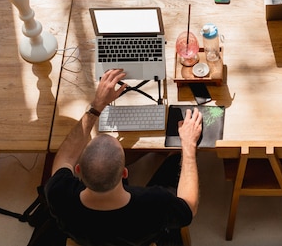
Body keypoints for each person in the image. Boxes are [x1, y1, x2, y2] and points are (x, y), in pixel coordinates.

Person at [45, 69, 203, 246]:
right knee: (176, 157)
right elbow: (189, 207)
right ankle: (172, 153)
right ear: (124, 173)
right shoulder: (155, 204)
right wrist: (188, 146)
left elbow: (65, 156)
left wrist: (97, 106)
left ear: (78, 169)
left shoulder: (58, 194)